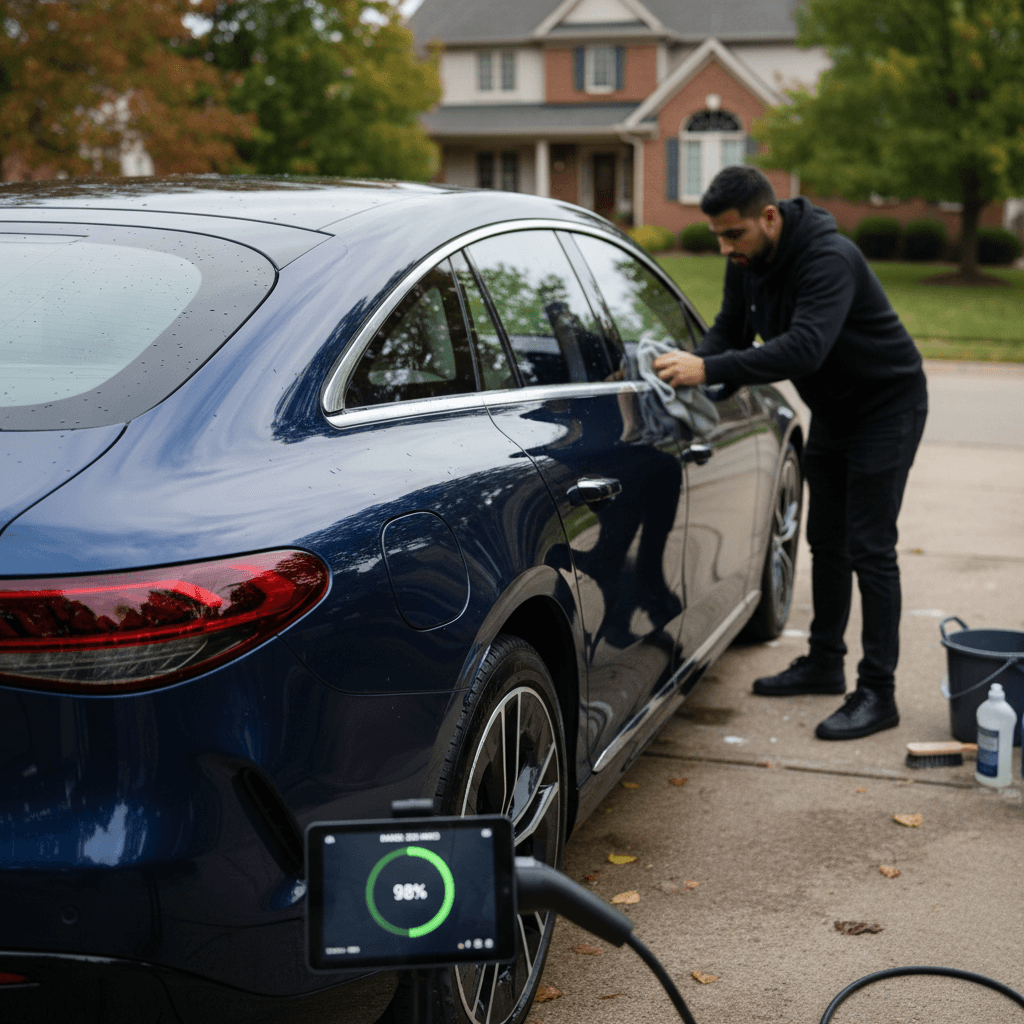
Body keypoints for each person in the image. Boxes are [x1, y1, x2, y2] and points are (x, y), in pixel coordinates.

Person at [653, 166, 927, 740]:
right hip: (834, 410)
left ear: (769, 218)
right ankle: (825, 662)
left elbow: (805, 348)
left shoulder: (829, 257)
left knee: (870, 546)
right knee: (825, 538)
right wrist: (696, 373)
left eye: (735, 235)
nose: (726, 249)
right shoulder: (748, 264)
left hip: (887, 406)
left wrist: (712, 368)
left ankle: (878, 693)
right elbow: (728, 329)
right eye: (718, 238)